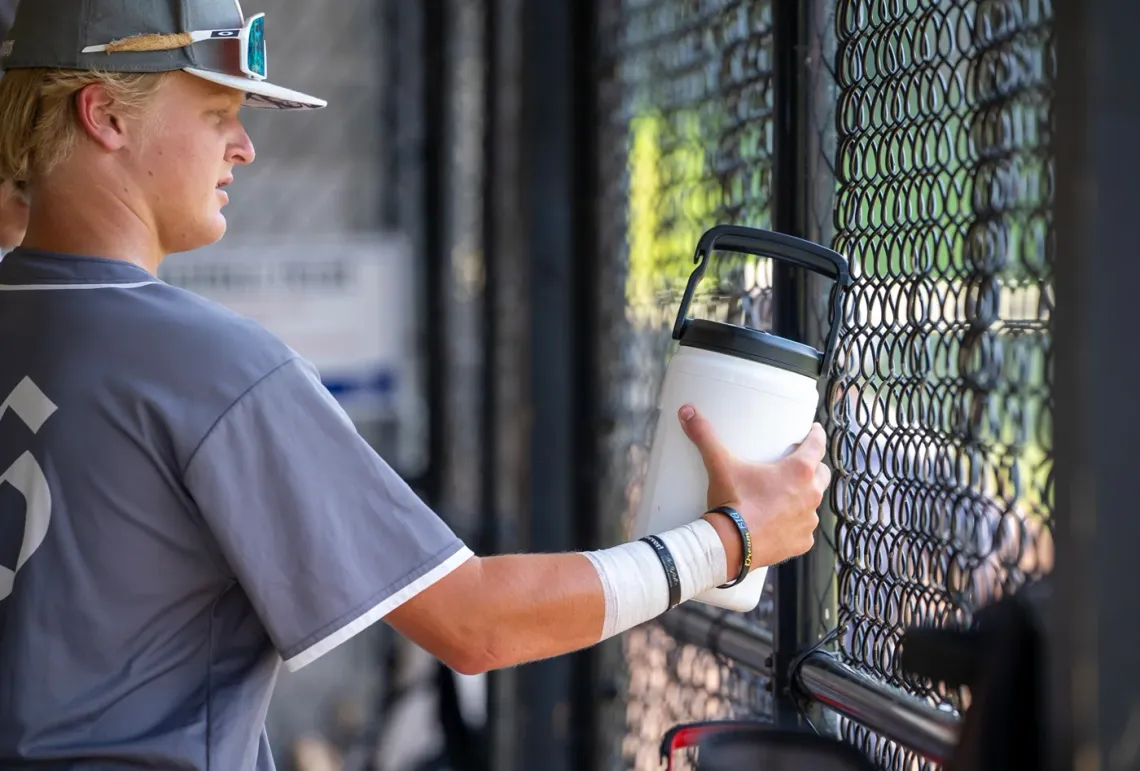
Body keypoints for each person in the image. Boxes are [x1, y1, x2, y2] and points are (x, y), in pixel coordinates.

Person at [0, 1, 830, 770]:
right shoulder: (207, 363)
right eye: (219, 114)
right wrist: (730, 538)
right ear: (104, 113)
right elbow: (474, 624)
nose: (244, 147)